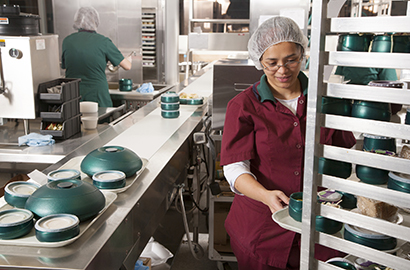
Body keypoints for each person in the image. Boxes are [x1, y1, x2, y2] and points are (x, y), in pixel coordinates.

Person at [220, 17, 356, 270]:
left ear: (303, 55)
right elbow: (235, 167)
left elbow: (346, 155)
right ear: (259, 61)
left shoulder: (326, 99)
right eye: (272, 63)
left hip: (321, 226)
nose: (282, 70)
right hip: (262, 229)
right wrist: (265, 195)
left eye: (291, 60)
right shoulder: (243, 106)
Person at [61, 6, 132, 107]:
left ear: (77, 21)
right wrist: (129, 59)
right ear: (95, 21)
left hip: (73, 97)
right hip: (97, 96)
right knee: (99, 121)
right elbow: (127, 66)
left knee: (75, 121)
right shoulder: (103, 42)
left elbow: (65, 67)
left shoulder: (67, 41)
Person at [334, 66, 402, 114]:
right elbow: (392, 92)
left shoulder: (345, 56)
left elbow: (336, 81)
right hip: (372, 110)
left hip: (344, 107)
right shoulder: (383, 57)